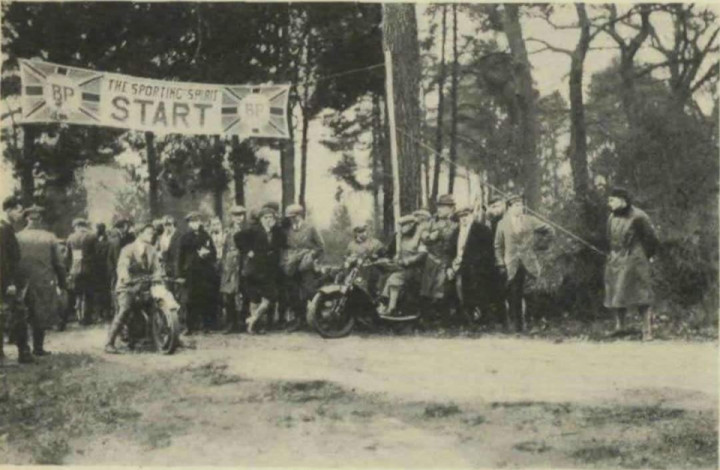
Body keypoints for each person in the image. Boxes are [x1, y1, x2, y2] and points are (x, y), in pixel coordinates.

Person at [604, 187, 659, 341]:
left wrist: (644, 256)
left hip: (635, 259)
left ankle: (647, 330)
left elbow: (652, 239)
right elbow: (609, 237)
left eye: (612, 200)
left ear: (623, 201)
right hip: (616, 258)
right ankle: (620, 327)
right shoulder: (611, 217)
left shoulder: (639, 216)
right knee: (615, 292)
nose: (609, 203)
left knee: (641, 294)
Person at [494, 194, 553, 333]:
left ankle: (532, 323)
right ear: (509, 208)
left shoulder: (530, 220)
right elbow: (497, 246)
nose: (520, 208)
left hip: (529, 263)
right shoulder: (502, 224)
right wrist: (500, 263)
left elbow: (550, 230)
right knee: (514, 294)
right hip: (511, 264)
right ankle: (517, 325)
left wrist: (540, 245)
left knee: (531, 293)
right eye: (516, 205)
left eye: (521, 205)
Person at [104, 222, 164, 354]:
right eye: (148, 233)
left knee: (157, 305)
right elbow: (122, 266)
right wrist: (125, 277)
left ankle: (162, 337)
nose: (152, 235)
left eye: (152, 233)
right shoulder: (128, 249)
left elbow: (157, 268)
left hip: (145, 285)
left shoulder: (151, 250)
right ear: (139, 233)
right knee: (125, 309)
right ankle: (109, 343)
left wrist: (158, 276)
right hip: (128, 287)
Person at [17, 205, 67, 356]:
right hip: (43, 280)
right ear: (40, 219)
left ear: (26, 219)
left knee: (22, 314)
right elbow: (59, 263)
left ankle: (23, 348)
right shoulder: (49, 237)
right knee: (40, 313)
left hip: (22, 281)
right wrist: (63, 283)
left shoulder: (17, 236)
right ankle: (38, 347)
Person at [447, 203, 503, 327]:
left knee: (480, 295)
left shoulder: (482, 230)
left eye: (466, 215)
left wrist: (478, 266)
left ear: (472, 215)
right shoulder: (456, 233)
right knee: (457, 293)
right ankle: (464, 319)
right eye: (461, 217)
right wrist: (450, 266)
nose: (464, 219)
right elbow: (450, 252)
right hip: (458, 267)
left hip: (478, 269)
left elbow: (488, 252)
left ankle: (484, 320)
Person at [239, 206, 285, 334]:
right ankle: (253, 326)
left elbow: (282, 243)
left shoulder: (276, 232)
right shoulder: (254, 230)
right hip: (255, 270)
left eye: (271, 217)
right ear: (260, 219)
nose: (268, 220)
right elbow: (238, 237)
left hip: (270, 270)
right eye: (266, 217)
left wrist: (276, 226)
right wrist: (248, 251)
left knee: (270, 297)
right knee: (254, 298)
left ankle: (252, 319)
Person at [0, 195, 33, 364]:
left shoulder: (7, 228)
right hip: (7, 282)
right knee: (14, 314)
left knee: (15, 314)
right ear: (9, 210)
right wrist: (9, 283)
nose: (21, 214)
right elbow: (3, 259)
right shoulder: (3, 229)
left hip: (8, 280)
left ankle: (23, 353)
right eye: (18, 211)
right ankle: (19, 354)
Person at [282, 204, 324, 326]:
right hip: (293, 266)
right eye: (290, 217)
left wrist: (312, 256)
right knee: (294, 292)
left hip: (307, 266)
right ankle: (299, 319)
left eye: (294, 217)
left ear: (300, 216)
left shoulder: (311, 228)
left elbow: (321, 246)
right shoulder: (289, 230)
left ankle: (318, 317)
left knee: (309, 291)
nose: (292, 219)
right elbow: (288, 247)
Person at [178, 212, 219, 334]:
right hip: (191, 273)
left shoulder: (206, 236)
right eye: (192, 222)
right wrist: (180, 274)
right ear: (189, 224)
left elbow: (214, 253)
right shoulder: (185, 238)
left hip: (205, 273)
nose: (195, 224)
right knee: (190, 300)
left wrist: (207, 254)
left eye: (197, 221)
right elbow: (180, 257)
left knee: (206, 298)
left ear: (200, 222)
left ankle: (207, 326)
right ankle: (189, 326)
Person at [380, 215, 427, 317]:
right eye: (401, 226)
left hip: (414, 268)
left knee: (394, 278)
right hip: (401, 266)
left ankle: (391, 308)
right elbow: (392, 251)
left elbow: (423, 254)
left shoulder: (419, 236)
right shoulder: (400, 237)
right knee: (383, 276)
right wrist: (392, 258)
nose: (402, 228)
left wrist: (409, 261)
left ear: (411, 225)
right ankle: (383, 303)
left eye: (404, 226)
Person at [420, 194, 458, 311]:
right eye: (439, 206)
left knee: (441, 289)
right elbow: (423, 236)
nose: (439, 209)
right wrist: (430, 236)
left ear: (451, 208)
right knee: (427, 290)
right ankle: (428, 315)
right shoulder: (432, 222)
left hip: (447, 260)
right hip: (431, 260)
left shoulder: (456, 223)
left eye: (443, 207)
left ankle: (443, 315)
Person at [221, 205, 248, 334]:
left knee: (244, 294)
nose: (238, 218)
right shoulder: (228, 232)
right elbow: (225, 250)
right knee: (229, 294)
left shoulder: (248, 231)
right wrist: (224, 266)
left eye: (241, 215)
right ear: (232, 217)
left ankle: (243, 321)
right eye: (236, 215)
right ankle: (231, 323)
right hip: (230, 267)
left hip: (244, 265)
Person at [67, 217, 98, 325]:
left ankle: (78, 316)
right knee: (89, 294)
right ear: (84, 226)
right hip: (89, 269)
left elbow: (68, 256)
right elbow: (96, 254)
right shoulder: (92, 236)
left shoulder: (71, 237)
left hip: (75, 269)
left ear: (77, 226)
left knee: (77, 293)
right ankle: (87, 318)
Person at [94, 223, 112, 322]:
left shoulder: (94, 241)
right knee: (106, 292)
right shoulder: (108, 242)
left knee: (98, 292)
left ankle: (99, 314)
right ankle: (107, 313)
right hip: (105, 269)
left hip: (97, 270)